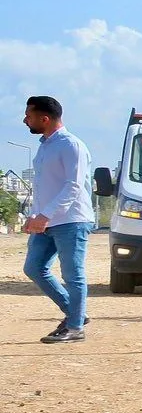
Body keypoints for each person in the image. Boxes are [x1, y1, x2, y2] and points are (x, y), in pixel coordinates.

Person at [21, 95, 93, 343]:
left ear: (45, 118)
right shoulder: (45, 146)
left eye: (28, 116)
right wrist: (34, 216)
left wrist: (45, 215)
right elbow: (45, 186)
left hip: (72, 220)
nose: (24, 120)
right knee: (33, 268)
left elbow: (73, 187)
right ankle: (76, 315)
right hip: (46, 221)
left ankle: (74, 328)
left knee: (73, 275)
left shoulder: (71, 145)